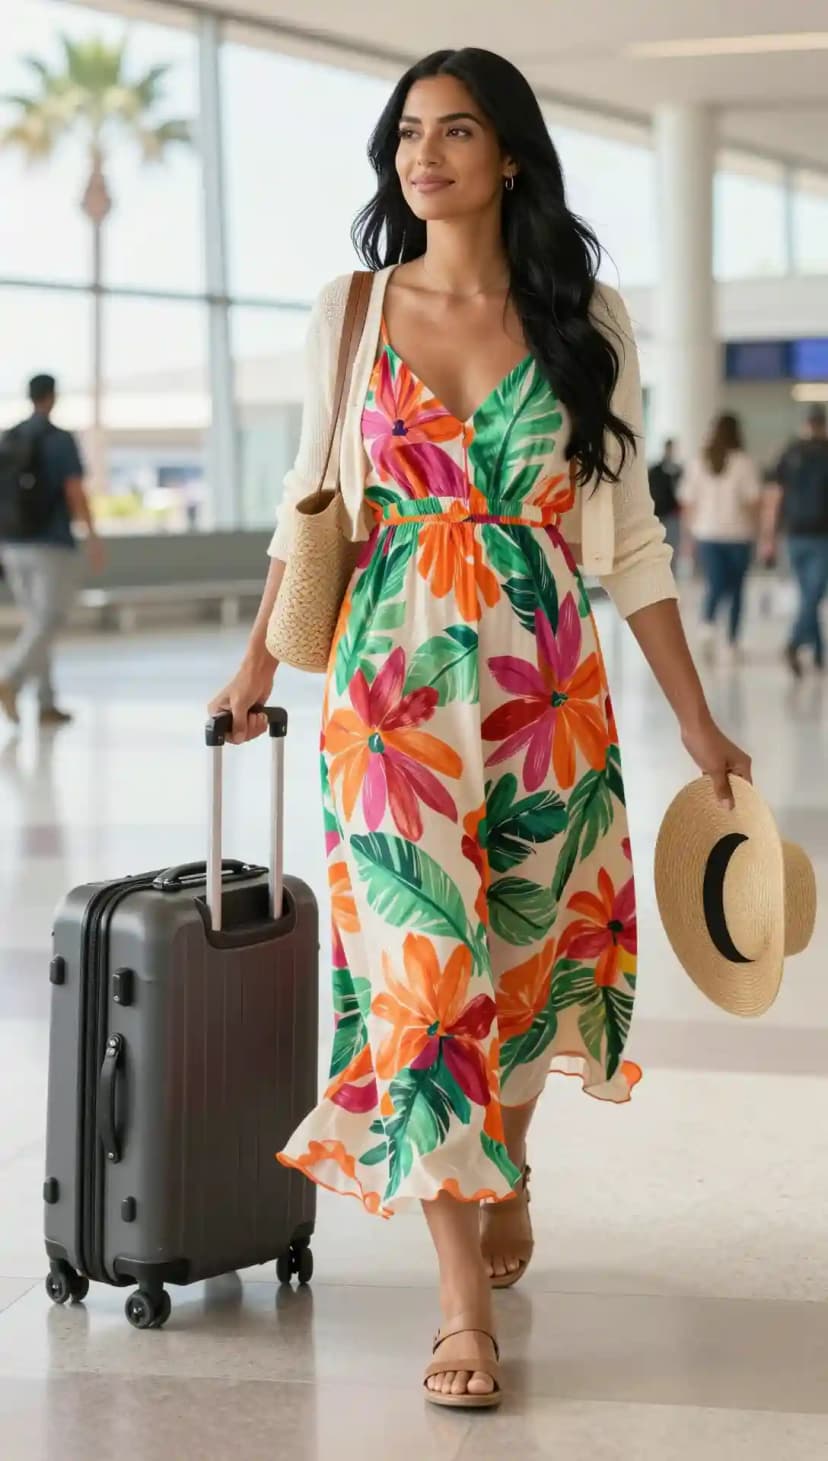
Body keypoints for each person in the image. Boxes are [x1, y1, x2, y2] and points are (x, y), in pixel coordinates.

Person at [208, 48, 752, 1410]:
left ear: (510, 155)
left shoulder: (588, 320)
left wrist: (694, 715)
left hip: (543, 694)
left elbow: (624, 538)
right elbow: (307, 504)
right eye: (407, 132)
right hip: (387, 699)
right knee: (422, 973)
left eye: (456, 130)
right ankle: (463, 1312)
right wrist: (251, 667)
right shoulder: (350, 309)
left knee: (524, 961)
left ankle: (504, 1156)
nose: (423, 153)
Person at [0, 374, 104, 726]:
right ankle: (10, 679)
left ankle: (45, 703)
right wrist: (92, 537)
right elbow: (74, 490)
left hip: (11, 544)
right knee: (49, 619)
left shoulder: (10, 438)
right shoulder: (59, 440)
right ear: (52, 397)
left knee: (37, 623)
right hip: (50, 544)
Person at [678, 413, 761, 666]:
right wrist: (758, 531)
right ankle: (732, 641)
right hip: (739, 535)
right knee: (736, 589)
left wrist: (687, 536)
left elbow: (688, 503)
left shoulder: (698, 463)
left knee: (715, 583)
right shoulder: (744, 463)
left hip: (707, 534)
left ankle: (707, 626)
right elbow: (753, 502)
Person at [760, 404, 828, 677]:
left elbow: (773, 499)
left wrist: (768, 537)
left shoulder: (789, 453)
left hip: (795, 535)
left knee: (809, 595)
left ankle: (819, 651)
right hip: (821, 536)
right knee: (813, 594)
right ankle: (796, 642)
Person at [647, 437, 683, 559]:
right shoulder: (655, 470)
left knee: (672, 545)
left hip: (672, 514)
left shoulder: (678, 470)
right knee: (658, 546)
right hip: (658, 513)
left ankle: (671, 574)